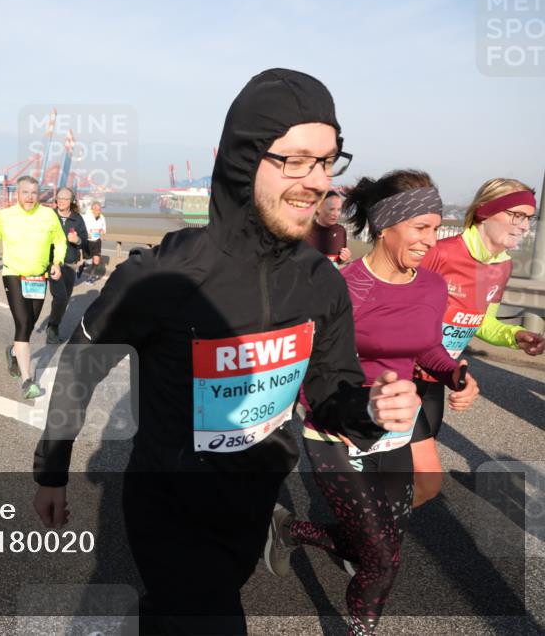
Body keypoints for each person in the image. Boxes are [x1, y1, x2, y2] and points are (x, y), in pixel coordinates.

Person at [32, 69, 424, 634]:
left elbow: (329, 389)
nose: (315, 180)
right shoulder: (164, 276)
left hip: (255, 499)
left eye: (326, 161)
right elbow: (81, 367)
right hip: (170, 505)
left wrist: (368, 408)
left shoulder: (321, 282)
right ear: (243, 159)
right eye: (294, 159)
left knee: (198, 601)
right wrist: (52, 470)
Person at [265, 170, 479, 636]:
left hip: (395, 432)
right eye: (421, 227)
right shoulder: (341, 288)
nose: (431, 239)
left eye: (437, 226)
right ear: (386, 226)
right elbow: (307, 368)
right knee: (382, 559)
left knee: (382, 544)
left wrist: (456, 373)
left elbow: (427, 349)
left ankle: (290, 530)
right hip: (336, 431)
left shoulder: (430, 287)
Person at [411, 178, 543, 507]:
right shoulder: (440, 253)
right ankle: (365, 540)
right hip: (401, 373)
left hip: (437, 378)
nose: (523, 225)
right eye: (516, 215)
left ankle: (368, 537)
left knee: (416, 475)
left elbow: (483, 322)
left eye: (529, 217)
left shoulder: (502, 266)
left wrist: (514, 336)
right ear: (486, 213)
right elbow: (398, 309)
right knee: (417, 472)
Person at [0, 176, 66, 399]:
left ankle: (12, 352)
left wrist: (57, 261)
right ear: (17, 194)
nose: (30, 197)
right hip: (14, 274)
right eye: (25, 193)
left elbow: (60, 240)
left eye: (34, 193)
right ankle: (28, 380)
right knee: (22, 324)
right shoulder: (5, 216)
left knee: (29, 324)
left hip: (39, 277)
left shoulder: (48, 215)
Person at [46, 188, 88, 344]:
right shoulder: (49, 216)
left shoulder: (77, 219)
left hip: (70, 264)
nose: (61, 201)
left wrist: (77, 240)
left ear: (72, 201)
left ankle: (53, 324)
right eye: (59, 198)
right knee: (60, 296)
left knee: (64, 299)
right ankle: (52, 328)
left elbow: (85, 241)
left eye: (65, 198)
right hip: (52, 263)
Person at [305, 190, 351, 265]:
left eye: (338, 210)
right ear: (319, 209)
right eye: (331, 209)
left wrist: (347, 259)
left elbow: (341, 262)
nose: (335, 214)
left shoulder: (340, 231)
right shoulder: (305, 230)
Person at [80, 202, 106, 283]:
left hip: (97, 242)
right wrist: (86, 234)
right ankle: (83, 265)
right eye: (96, 209)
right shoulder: (86, 217)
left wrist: (102, 232)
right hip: (87, 242)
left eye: (99, 209)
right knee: (88, 261)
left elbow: (104, 230)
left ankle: (90, 278)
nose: (98, 211)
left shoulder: (102, 217)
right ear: (92, 209)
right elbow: (80, 227)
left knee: (96, 261)